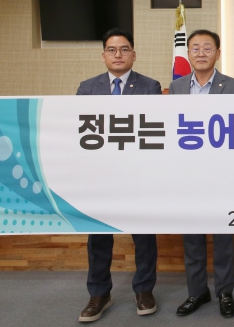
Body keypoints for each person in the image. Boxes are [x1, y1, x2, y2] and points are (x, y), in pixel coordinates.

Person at [76, 28, 161, 323]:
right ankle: (99, 293)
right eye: (112, 50)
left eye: (124, 49)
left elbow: (154, 129)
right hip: (100, 176)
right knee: (99, 237)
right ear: (103, 56)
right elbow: (80, 131)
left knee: (144, 236)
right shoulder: (87, 88)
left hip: (138, 174)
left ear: (133, 55)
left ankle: (144, 290)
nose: (118, 55)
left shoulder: (150, 87)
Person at [169, 29, 234, 319]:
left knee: (223, 237)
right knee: (192, 237)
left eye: (207, 48)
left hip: (221, 173)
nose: (201, 53)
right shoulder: (176, 87)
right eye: (195, 48)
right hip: (187, 174)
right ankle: (197, 291)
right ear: (188, 53)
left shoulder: (232, 87)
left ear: (218, 53)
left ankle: (225, 292)